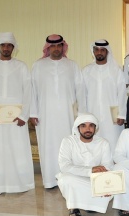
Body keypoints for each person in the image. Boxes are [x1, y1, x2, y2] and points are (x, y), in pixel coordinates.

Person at [0, 32, 34, 195]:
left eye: (9, 45)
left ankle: (21, 185)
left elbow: (27, 92)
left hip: (17, 118)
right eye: (3, 45)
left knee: (18, 149)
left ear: (13, 47)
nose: (6, 48)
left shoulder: (21, 66)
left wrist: (24, 115)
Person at [30, 34, 86, 189]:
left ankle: (69, 179)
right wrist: (33, 113)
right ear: (48, 48)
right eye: (52, 46)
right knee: (48, 146)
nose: (56, 49)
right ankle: (49, 180)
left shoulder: (72, 65)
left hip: (68, 116)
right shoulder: (38, 65)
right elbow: (32, 91)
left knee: (68, 146)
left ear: (63, 47)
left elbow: (80, 91)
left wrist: (81, 114)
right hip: (45, 115)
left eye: (59, 46)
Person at [56, 114, 113, 216]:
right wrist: (90, 170)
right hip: (75, 179)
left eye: (91, 126)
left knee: (113, 189)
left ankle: (90, 204)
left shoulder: (103, 143)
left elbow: (108, 166)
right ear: (78, 128)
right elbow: (64, 166)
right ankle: (74, 208)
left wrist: (106, 185)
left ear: (95, 128)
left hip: (95, 181)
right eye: (83, 126)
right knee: (66, 179)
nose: (88, 129)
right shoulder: (68, 141)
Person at [83, 39, 127, 151]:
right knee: (94, 146)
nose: (99, 52)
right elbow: (82, 95)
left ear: (107, 52)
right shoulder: (86, 71)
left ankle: (113, 168)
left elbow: (122, 93)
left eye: (102, 50)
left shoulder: (116, 71)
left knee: (113, 143)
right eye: (97, 50)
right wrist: (83, 116)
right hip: (92, 112)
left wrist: (121, 114)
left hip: (112, 115)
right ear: (93, 51)